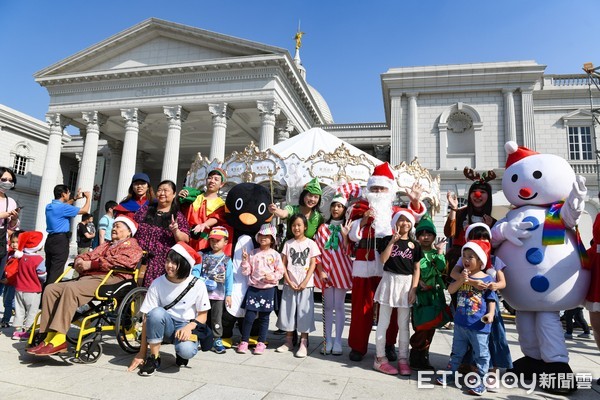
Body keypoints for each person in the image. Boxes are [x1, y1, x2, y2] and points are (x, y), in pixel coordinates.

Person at [27, 215, 143, 356]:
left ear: (128, 231)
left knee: (71, 289)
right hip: (90, 277)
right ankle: (48, 335)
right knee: (51, 289)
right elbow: (89, 255)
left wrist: (93, 264)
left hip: (113, 278)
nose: (113, 228)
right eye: (114, 225)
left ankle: (59, 338)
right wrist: (80, 260)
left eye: (118, 226)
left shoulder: (133, 246)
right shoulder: (106, 245)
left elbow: (121, 262)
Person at [347, 162, 425, 362]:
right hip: (364, 266)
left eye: (382, 188)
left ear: (389, 190)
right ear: (368, 189)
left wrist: (415, 203)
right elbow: (352, 235)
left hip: (390, 267)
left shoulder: (395, 211)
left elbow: (411, 218)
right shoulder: (359, 208)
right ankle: (358, 346)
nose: (378, 192)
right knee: (360, 308)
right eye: (374, 188)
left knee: (389, 309)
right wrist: (363, 221)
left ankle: (389, 345)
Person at [127, 242, 210, 376]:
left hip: (186, 326)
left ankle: (181, 354)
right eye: (167, 261)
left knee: (186, 351)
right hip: (166, 325)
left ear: (184, 265)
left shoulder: (198, 284)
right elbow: (147, 318)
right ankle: (154, 358)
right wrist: (141, 353)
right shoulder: (157, 283)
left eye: (174, 263)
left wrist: (189, 327)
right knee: (155, 313)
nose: (168, 265)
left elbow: (203, 315)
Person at [450, 222, 513, 375]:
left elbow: (502, 282)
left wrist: (494, 286)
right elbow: (454, 274)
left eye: (484, 238)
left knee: (491, 337)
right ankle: (466, 364)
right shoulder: (466, 257)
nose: (481, 241)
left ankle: (491, 367)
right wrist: (473, 282)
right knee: (465, 338)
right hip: (467, 306)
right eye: (476, 238)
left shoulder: (495, 259)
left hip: (488, 305)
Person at [436, 240, 496, 396]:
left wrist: (490, 314)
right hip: (461, 323)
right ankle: (451, 373)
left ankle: (482, 380)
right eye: (464, 256)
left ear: (481, 260)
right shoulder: (463, 276)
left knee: (481, 354)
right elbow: (450, 289)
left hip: (479, 325)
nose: (466, 260)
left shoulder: (487, 279)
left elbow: (491, 299)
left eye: (471, 257)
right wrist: (462, 279)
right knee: (457, 351)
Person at [372, 210, 422, 376]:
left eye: (408, 221)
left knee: (403, 324)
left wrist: (414, 288)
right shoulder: (387, 239)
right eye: (401, 220)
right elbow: (383, 260)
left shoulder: (415, 245)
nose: (404, 224)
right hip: (389, 281)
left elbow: (416, 268)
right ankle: (379, 358)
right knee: (383, 323)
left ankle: (402, 358)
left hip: (406, 284)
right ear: (395, 222)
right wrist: (392, 242)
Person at [276, 214, 321, 358]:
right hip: (290, 285)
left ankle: (303, 341)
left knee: (304, 313)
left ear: (305, 227)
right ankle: (288, 340)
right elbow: (283, 264)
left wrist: (305, 282)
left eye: (299, 225)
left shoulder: (311, 243)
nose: (296, 228)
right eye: (294, 225)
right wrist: (288, 280)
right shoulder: (288, 244)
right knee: (288, 311)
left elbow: (313, 264)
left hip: (306, 286)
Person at [314, 193, 353, 355]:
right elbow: (316, 252)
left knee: (339, 306)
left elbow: (349, 252)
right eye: (334, 205)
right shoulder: (323, 228)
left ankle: (338, 341)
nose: (336, 209)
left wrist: (345, 236)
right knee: (328, 307)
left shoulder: (348, 227)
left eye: (340, 206)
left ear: (344, 209)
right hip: (326, 272)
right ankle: (327, 339)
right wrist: (321, 271)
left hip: (342, 271)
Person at [237, 223, 284, 355]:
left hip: (269, 289)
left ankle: (261, 342)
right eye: (261, 235)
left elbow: (280, 272)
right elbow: (246, 272)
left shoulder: (275, 255)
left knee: (264, 318)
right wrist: (245, 260)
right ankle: (244, 341)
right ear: (257, 237)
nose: (263, 238)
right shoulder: (252, 253)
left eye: (267, 236)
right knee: (249, 316)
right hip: (253, 289)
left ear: (272, 239)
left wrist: (272, 276)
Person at [409, 216, 449, 371]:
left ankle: (424, 356)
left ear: (433, 235)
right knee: (420, 325)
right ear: (417, 236)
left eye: (429, 234)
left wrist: (439, 252)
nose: (425, 237)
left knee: (431, 326)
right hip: (419, 295)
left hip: (433, 296)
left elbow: (440, 268)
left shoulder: (435, 253)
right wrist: (418, 283)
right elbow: (410, 270)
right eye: (422, 234)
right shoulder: (413, 251)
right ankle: (415, 355)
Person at [134, 180, 190, 287]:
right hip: (140, 259)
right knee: (135, 292)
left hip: (161, 262)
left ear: (174, 194)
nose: (162, 193)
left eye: (166, 191)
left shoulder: (177, 216)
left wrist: (176, 231)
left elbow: (185, 239)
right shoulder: (144, 210)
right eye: (159, 190)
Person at [444, 168, 496, 272]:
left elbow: (494, 246)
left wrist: (490, 228)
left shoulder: (492, 221)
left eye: (482, 192)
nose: (478, 195)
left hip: (482, 264)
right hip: (459, 262)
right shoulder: (460, 213)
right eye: (474, 192)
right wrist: (453, 209)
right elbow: (449, 233)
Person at [192, 226, 233, 354]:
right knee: (200, 316)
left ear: (225, 242)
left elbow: (229, 278)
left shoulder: (227, 260)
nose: (215, 243)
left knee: (216, 318)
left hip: (218, 295)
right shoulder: (203, 255)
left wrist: (229, 294)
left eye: (218, 240)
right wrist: (199, 279)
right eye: (212, 240)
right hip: (201, 294)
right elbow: (195, 271)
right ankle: (197, 337)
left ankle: (217, 339)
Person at [44, 185, 91, 287]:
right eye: (68, 193)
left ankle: (44, 298)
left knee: (50, 272)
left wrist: (75, 199)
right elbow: (85, 211)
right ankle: (49, 299)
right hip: (60, 241)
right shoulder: (64, 207)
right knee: (56, 273)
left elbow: (65, 205)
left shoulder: (49, 206)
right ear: (63, 194)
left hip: (50, 240)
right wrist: (88, 198)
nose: (69, 194)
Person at [178, 169, 228, 253]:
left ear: (221, 184)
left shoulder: (221, 204)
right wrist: (180, 197)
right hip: (185, 238)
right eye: (210, 178)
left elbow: (216, 217)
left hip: (203, 242)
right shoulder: (194, 197)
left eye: (216, 179)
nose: (212, 181)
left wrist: (204, 225)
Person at [10, 231, 46, 340]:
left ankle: (17, 331)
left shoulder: (21, 257)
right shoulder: (39, 260)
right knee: (32, 312)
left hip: (19, 288)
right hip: (33, 290)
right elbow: (42, 275)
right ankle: (28, 331)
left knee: (19, 310)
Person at [0, 167, 21, 327]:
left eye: (10, 180)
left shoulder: (11, 201)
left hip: (2, 243)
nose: (7, 182)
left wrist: (13, 219)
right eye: (4, 179)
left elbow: (12, 227)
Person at [0, 231, 20, 328]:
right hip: (7, 282)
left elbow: (18, 272)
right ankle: (13, 311)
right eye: (12, 242)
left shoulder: (20, 256)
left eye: (17, 242)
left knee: (8, 302)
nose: (14, 244)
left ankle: (5, 320)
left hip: (13, 283)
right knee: (6, 301)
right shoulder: (10, 253)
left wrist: (9, 280)